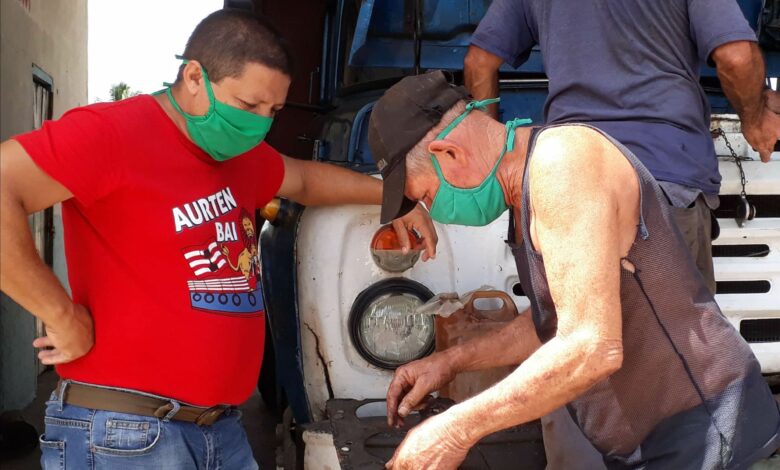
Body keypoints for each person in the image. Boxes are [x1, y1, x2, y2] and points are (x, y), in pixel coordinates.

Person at [0, 9, 437, 469]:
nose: (259, 124)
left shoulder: (238, 153)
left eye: (273, 111)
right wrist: (59, 313)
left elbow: (303, 180)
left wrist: (397, 199)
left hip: (219, 431)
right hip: (126, 434)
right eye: (248, 107)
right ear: (194, 76)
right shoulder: (112, 133)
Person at [370, 71, 780, 470]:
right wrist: (451, 362)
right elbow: (555, 320)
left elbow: (590, 346)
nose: (434, 209)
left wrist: (454, 431)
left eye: (425, 194)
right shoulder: (527, 185)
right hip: (663, 448)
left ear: (449, 153)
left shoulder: (562, 166)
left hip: (712, 439)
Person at [464, 0, 780, 296]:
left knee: (581, 344)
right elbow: (736, 56)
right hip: (662, 184)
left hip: (570, 188)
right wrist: (753, 120)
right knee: (677, 349)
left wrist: (495, 158)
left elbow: (479, 62)